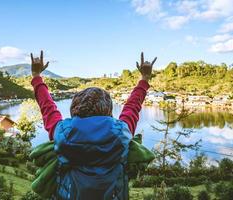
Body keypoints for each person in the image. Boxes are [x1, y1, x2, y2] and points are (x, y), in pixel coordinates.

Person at [30, 51, 157, 200]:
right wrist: (144, 79)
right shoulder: (121, 133)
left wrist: (36, 76)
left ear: (74, 109)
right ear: (108, 110)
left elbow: (48, 108)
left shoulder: (63, 134)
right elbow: (132, 107)